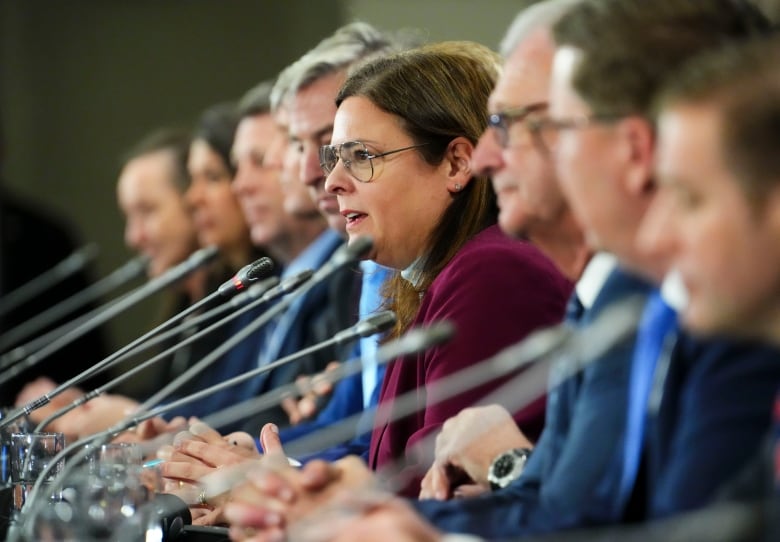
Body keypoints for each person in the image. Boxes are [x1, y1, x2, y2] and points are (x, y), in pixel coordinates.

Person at [219, 1, 780, 540]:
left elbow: (583, 519)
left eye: (524, 124)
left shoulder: (520, 277)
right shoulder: (611, 300)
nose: (493, 155)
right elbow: (546, 504)